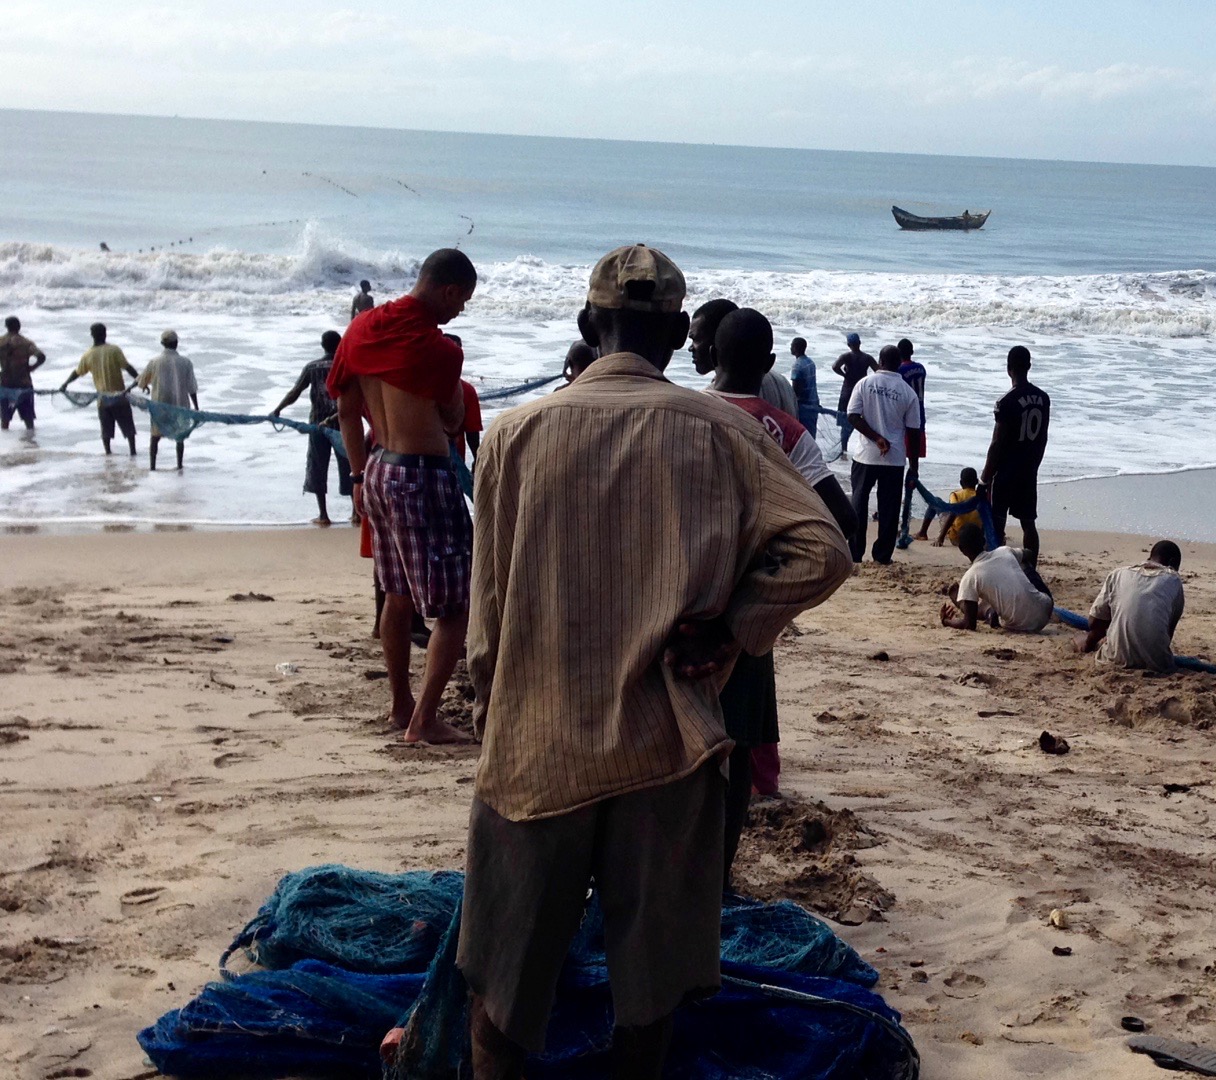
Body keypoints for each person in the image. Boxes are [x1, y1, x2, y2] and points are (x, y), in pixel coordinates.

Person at [459, 244, 850, 1080]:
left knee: (500, 996)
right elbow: (824, 547)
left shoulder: (514, 436)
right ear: (680, 334)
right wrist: (737, 627)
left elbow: (485, 627)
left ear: (584, 325)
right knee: (649, 1002)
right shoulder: (723, 432)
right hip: (668, 749)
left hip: (537, 749)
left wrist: (494, 710)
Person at [705, 306, 858, 878]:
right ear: (769, 364)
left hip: (676, 597)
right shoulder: (786, 431)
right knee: (739, 745)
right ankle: (720, 876)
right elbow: (844, 526)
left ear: (711, 356)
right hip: (745, 613)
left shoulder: (677, 413)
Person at [328, 248, 477, 745]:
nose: (459, 313)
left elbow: (347, 410)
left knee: (396, 596)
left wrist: (354, 477)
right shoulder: (440, 351)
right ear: (449, 290)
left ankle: (401, 704)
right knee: (455, 607)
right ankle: (425, 721)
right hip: (423, 474)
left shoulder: (362, 330)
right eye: (462, 302)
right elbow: (454, 419)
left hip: (376, 470)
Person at [844, 343, 922, 565]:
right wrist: (914, 465)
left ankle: (856, 553)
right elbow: (914, 432)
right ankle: (882, 555)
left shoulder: (864, 384)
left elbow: (852, 416)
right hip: (895, 458)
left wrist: (875, 438)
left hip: (865, 456)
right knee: (889, 508)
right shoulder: (908, 393)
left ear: (880, 361)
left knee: (859, 503)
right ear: (899, 364)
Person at [269, 331, 353, 525]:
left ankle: (323, 515)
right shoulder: (346, 365)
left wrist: (278, 409)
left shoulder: (312, 367)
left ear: (322, 345)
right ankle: (356, 512)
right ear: (340, 345)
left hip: (317, 424)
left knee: (317, 466)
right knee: (349, 465)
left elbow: (296, 391)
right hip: (343, 423)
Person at [981, 345, 1049, 566]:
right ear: (1029, 366)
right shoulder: (1043, 398)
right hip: (1029, 469)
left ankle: (998, 565)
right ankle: (1031, 568)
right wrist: (1035, 465)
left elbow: (997, 443)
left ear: (1008, 369)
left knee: (998, 522)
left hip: (1007, 470)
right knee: (1028, 523)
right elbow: (1043, 438)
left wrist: (985, 477)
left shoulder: (1006, 402)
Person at [1076, 541, 1185, 672]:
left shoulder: (1119, 574)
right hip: (1158, 664)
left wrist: (1089, 644)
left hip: (1115, 660)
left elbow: (1094, 622)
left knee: (1080, 639)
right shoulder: (1174, 581)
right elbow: (1167, 632)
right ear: (1173, 562)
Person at [942, 523, 1053, 633]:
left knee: (986, 598)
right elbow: (1029, 554)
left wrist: (946, 621)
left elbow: (969, 624)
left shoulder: (970, 576)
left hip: (1019, 626)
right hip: (1045, 610)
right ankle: (987, 608)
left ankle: (970, 605)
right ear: (984, 541)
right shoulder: (1004, 551)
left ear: (961, 549)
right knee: (1021, 563)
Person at [59, 323, 140, 456]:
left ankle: (108, 453)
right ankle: (133, 452)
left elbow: (77, 372)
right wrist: (140, 380)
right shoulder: (114, 350)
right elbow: (127, 367)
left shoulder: (88, 355)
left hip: (103, 399)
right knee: (128, 429)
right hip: (120, 397)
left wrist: (65, 384)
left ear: (92, 335)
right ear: (105, 334)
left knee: (106, 430)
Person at [136, 330, 200, 471]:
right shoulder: (186, 362)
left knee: (155, 436)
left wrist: (142, 385)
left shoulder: (154, 362)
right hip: (180, 405)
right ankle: (179, 465)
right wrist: (196, 407)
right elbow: (192, 388)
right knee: (180, 437)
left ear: (162, 344)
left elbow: (141, 381)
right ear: (176, 343)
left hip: (160, 405)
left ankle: (153, 467)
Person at [894, 338, 927, 549]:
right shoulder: (921, 369)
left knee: (898, 463)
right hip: (920, 419)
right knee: (914, 464)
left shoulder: (899, 371)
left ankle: (901, 505)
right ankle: (909, 495)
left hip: (905, 421)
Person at [1, 316, 48, 432]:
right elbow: (41, 357)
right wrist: (32, 367)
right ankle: (31, 443)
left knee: (5, 420)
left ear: (6, 327)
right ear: (19, 327)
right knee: (28, 419)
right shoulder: (26, 343)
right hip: (24, 384)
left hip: (6, 384)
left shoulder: (1, 342)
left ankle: (4, 446)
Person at [916, 466, 981, 545]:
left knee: (935, 502)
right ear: (977, 481)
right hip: (976, 539)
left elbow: (953, 514)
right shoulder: (981, 496)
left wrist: (941, 538)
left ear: (961, 482)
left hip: (958, 538)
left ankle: (922, 533)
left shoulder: (956, 495)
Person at [831, 332, 872, 417]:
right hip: (862, 390)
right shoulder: (867, 358)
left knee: (844, 419)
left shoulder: (846, 356)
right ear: (859, 343)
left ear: (848, 344)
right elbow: (878, 370)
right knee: (861, 420)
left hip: (848, 389)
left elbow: (835, 367)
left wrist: (844, 375)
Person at [789, 336, 820, 435]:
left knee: (802, 435)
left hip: (804, 406)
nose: (790, 348)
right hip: (814, 403)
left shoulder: (797, 366)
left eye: (792, 346)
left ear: (796, 348)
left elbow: (796, 390)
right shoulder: (810, 362)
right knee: (811, 435)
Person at [455, 379, 483, 464]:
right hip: (454, 463)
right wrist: (477, 460)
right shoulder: (466, 389)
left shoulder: (415, 388)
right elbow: (472, 433)